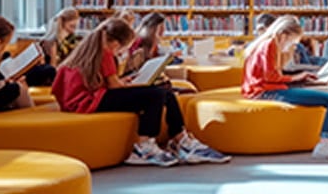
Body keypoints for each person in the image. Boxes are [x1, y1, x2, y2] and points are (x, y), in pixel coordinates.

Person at [52, 18, 230, 166]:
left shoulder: (92, 48)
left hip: (88, 98)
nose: (121, 52)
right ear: (115, 43)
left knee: (162, 92)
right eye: (122, 48)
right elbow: (114, 87)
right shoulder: (105, 52)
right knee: (155, 94)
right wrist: (137, 85)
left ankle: (180, 138)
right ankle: (144, 146)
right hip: (88, 102)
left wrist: (127, 83)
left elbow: (104, 84)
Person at [242, 15, 328, 160]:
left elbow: (272, 75)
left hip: (270, 87)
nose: (293, 46)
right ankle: (326, 142)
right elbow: (270, 77)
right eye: (292, 41)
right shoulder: (269, 45)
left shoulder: (269, 43)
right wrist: (297, 78)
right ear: (284, 35)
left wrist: (301, 77)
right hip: (264, 91)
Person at [27, 7, 81, 86]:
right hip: (52, 77)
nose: (74, 30)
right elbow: (52, 68)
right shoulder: (51, 42)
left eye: (75, 27)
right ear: (63, 23)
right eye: (72, 26)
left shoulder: (73, 40)